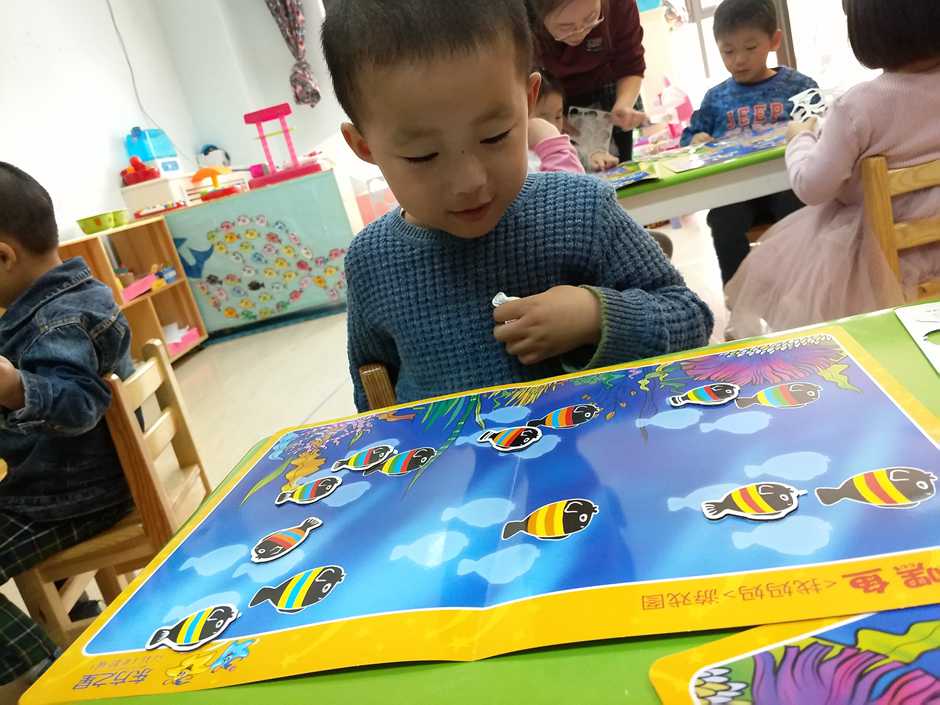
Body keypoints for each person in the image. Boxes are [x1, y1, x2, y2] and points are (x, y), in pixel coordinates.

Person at [320, 0, 713, 411]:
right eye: (423, 156)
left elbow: (691, 318)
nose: (470, 182)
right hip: (449, 453)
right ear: (364, 146)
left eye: (494, 136)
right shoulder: (371, 261)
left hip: (597, 445)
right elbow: (373, 398)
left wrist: (596, 316)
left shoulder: (584, 211)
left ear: (528, 102)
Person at [726, 0, 940, 336]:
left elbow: (811, 187)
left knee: (790, 273)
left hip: (883, 262)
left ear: (867, 29)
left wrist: (800, 138)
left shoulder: (858, 107)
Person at [0, 163, 134, 696]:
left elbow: (80, 404)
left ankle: (42, 672)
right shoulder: (71, 296)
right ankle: (75, 613)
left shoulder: (57, 321)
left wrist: (16, 388)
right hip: (73, 484)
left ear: (3, 255)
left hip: (72, 496)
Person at [680, 0, 818, 285]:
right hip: (737, 193)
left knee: (798, 208)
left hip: (787, 184)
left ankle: (804, 284)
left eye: (750, 48)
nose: (739, 60)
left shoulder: (799, 87)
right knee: (723, 218)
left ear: (774, 41)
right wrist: (696, 139)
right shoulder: (715, 99)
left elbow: (821, 128)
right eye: (728, 51)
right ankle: (738, 294)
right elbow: (688, 138)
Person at [529, 0, 647, 163]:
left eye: (591, 18)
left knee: (618, 163)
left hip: (608, 83)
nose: (579, 33)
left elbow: (631, 63)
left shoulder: (620, 4)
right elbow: (517, 78)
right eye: (565, 27)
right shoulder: (520, 17)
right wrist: (552, 116)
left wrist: (624, 105)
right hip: (548, 93)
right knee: (558, 163)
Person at [528, 70, 585, 174]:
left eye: (558, 117)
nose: (553, 126)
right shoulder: (523, 160)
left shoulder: (563, 146)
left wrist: (594, 155)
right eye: (544, 120)